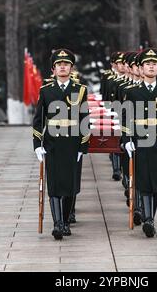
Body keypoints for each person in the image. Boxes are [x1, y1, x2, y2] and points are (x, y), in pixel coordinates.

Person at [32, 49, 89, 240]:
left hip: (72, 143)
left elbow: (84, 119)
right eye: (59, 64)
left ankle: (65, 221)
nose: (62, 67)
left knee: (70, 185)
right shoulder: (46, 90)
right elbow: (38, 119)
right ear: (53, 69)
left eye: (66, 64)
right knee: (55, 184)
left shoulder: (80, 90)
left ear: (71, 68)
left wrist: (83, 146)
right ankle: (58, 224)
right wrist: (37, 144)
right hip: (53, 142)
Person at [122, 48, 157, 238]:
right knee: (144, 180)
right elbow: (126, 118)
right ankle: (148, 219)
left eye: (154, 64)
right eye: (147, 64)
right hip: (140, 138)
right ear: (142, 67)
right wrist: (127, 140)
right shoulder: (132, 92)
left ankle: (150, 217)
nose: (151, 67)